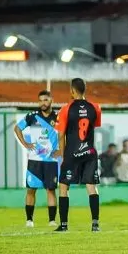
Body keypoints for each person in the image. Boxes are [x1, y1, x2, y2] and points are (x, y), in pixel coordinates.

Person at [54, 78, 102, 232]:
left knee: (64, 187)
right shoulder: (96, 108)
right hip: (89, 152)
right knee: (91, 186)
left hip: (72, 153)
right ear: (84, 90)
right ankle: (95, 224)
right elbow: (93, 127)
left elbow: (61, 135)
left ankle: (64, 225)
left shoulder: (65, 109)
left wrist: (63, 155)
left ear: (72, 90)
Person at [13, 90, 59, 227]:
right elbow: (17, 128)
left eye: (45, 100)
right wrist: (25, 144)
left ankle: (52, 221)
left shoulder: (58, 117)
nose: (42, 103)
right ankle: (29, 220)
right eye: (40, 100)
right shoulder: (32, 116)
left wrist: (61, 150)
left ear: (51, 101)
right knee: (31, 190)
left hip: (51, 161)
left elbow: (66, 134)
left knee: (51, 190)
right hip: (34, 160)